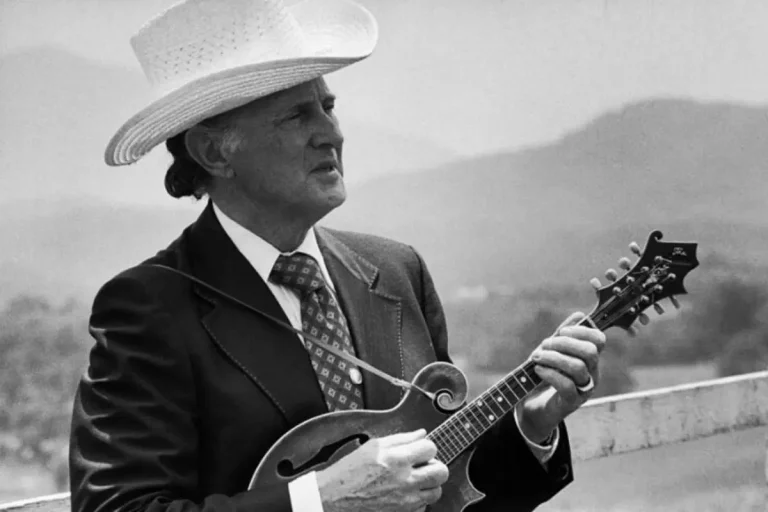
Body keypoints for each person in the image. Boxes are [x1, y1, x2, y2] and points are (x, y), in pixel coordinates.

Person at [69, 1, 608, 511]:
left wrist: (531, 425)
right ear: (213, 151)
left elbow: (445, 491)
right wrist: (321, 500)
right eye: (296, 116)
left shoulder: (396, 271)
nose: (331, 133)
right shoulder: (149, 307)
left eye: (327, 107)